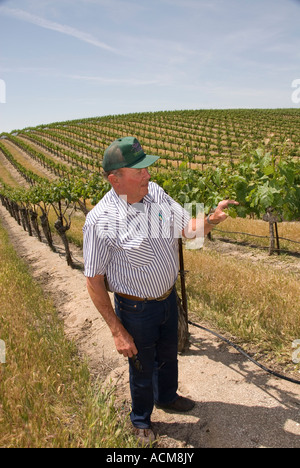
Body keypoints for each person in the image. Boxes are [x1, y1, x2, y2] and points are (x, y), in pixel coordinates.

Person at [83, 136, 238, 446]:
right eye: (139, 171)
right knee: (141, 367)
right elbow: (94, 280)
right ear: (116, 179)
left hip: (168, 299)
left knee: (168, 357)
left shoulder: (155, 194)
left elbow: (185, 229)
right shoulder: (100, 221)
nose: (148, 175)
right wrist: (116, 330)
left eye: (147, 169)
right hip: (136, 311)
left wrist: (210, 220)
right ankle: (140, 419)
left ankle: (167, 397)